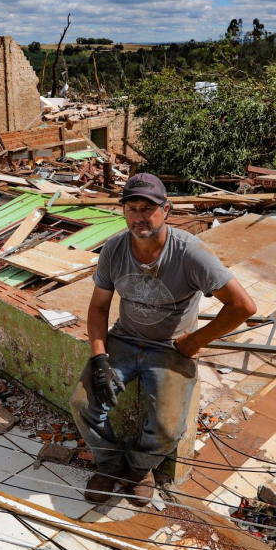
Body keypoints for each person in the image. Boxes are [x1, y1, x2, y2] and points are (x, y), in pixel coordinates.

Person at [70, 173, 257, 505]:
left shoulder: (189, 253)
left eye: (148, 209)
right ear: (124, 212)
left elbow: (243, 306)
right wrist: (99, 358)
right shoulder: (114, 249)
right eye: (132, 208)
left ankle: (139, 470)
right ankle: (111, 466)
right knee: (83, 404)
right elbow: (98, 307)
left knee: (169, 428)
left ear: (166, 210)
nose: (140, 217)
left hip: (170, 348)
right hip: (124, 341)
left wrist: (194, 341)